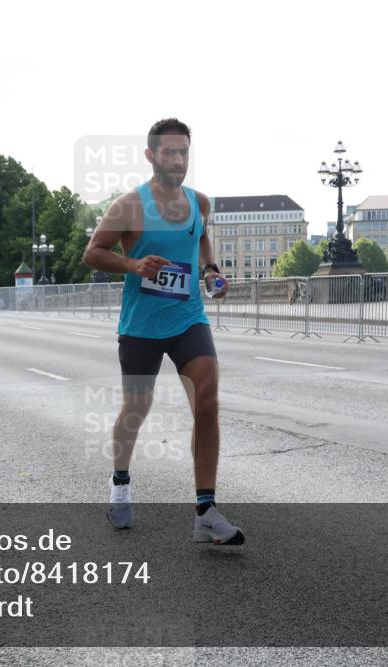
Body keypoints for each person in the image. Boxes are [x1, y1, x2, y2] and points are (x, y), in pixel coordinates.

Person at [82, 118, 243, 545]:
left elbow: (202, 237)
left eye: (184, 152)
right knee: (137, 407)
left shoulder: (200, 203)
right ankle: (120, 482)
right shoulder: (129, 206)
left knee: (206, 398)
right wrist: (134, 264)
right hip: (141, 325)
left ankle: (206, 510)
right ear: (151, 155)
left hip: (188, 318)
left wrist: (210, 271)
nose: (178, 159)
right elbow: (92, 253)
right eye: (169, 152)